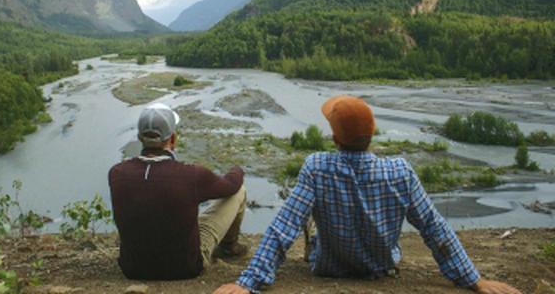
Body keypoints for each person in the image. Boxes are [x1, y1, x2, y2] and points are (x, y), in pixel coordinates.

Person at [214, 96, 521, 294]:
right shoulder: (400, 171)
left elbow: (284, 226)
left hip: (328, 266)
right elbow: (432, 226)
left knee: (305, 218)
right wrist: (474, 280)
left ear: (335, 138)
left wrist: (247, 283)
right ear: (372, 136)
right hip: (381, 267)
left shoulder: (317, 168)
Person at [108, 103, 248, 280]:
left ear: (139, 138)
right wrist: (237, 169)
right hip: (186, 268)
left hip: (133, 269)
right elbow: (231, 185)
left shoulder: (117, 173)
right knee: (238, 192)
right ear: (172, 139)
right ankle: (229, 247)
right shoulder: (191, 175)